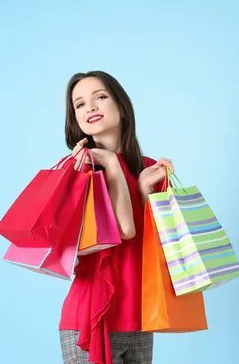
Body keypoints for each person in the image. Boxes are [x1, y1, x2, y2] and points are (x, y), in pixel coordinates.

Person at [58, 70, 174, 364]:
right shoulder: (80, 170)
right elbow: (123, 231)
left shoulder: (148, 169)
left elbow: (163, 249)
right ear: (76, 119)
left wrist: (147, 190)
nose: (91, 107)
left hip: (139, 316)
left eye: (100, 97)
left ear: (121, 107)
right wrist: (109, 161)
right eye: (80, 104)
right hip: (90, 316)